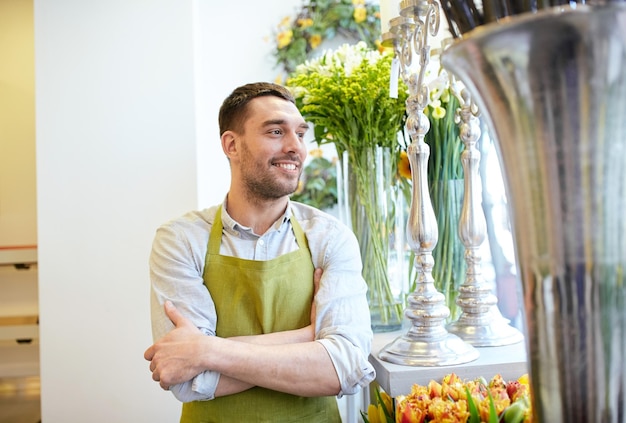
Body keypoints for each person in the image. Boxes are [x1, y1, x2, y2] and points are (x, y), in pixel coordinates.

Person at [143, 82, 375, 422]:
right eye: (276, 131)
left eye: (300, 133)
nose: (295, 147)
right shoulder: (179, 240)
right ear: (232, 145)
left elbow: (345, 368)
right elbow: (188, 377)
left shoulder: (330, 237)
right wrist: (308, 338)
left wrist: (206, 350)